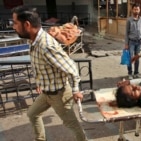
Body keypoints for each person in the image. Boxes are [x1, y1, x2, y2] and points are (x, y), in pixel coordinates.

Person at [11, 6, 87, 141]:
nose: (13, 27)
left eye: (15, 23)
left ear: (27, 24)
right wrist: (39, 82)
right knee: (32, 114)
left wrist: (76, 90)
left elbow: (72, 68)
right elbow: (39, 65)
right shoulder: (33, 40)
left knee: (72, 124)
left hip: (60, 95)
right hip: (46, 92)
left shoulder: (46, 46)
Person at [124, 3, 141, 80]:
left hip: (138, 42)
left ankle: (136, 73)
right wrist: (126, 44)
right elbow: (126, 32)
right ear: (132, 10)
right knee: (130, 58)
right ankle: (130, 73)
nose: (136, 11)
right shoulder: (129, 20)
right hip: (131, 42)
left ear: (139, 10)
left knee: (137, 58)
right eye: (135, 9)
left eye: (137, 9)